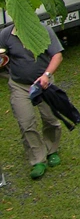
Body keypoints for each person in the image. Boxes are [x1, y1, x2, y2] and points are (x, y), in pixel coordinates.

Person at [0, 20, 64, 180]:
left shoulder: (44, 30)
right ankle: (38, 160)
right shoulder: (6, 34)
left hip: (43, 84)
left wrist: (46, 76)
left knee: (50, 119)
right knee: (26, 123)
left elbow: (57, 56)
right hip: (19, 86)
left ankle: (52, 150)